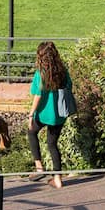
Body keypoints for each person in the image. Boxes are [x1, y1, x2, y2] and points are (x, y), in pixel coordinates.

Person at [27, 41, 72, 189]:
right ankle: (57, 179)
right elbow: (69, 87)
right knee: (52, 145)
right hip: (59, 114)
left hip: (43, 114)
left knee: (31, 132)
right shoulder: (63, 72)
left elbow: (37, 95)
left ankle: (39, 166)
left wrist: (31, 114)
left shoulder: (41, 73)